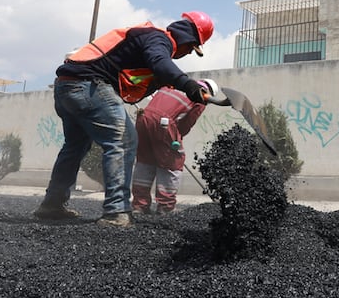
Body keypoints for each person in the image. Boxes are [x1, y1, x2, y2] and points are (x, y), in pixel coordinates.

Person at [35, 12, 215, 228]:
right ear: (187, 39)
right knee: (123, 141)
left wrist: (162, 81)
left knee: (74, 147)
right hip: (88, 85)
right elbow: (160, 62)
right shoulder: (160, 39)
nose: (187, 53)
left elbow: (141, 72)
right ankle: (116, 211)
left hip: (66, 87)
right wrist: (188, 85)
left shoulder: (148, 39)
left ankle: (52, 205)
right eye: (191, 48)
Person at [132, 79, 218, 215]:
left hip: (143, 119)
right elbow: (187, 124)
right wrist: (177, 136)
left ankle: (139, 206)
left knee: (145, 160)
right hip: (164, 124)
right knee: (173, 161)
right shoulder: (199, 98)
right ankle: (165, 207)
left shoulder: (172, 86)